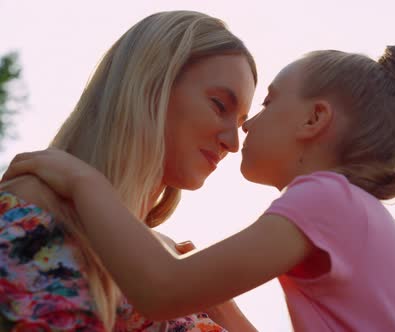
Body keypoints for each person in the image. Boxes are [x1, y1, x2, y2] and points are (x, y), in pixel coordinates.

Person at [4, 45, 395, 331]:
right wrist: (220, 305)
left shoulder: (325, 199)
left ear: (314, 120)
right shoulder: (373, 224)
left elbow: (161, 292)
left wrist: (82, 181)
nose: (246, 126)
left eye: (268, 102)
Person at [0, 10, 258, 331]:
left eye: (240, 123)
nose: (233, 143)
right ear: (151, 86)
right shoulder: (33, 208)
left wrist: (218, 302)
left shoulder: (173, 266)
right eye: (220, 106)